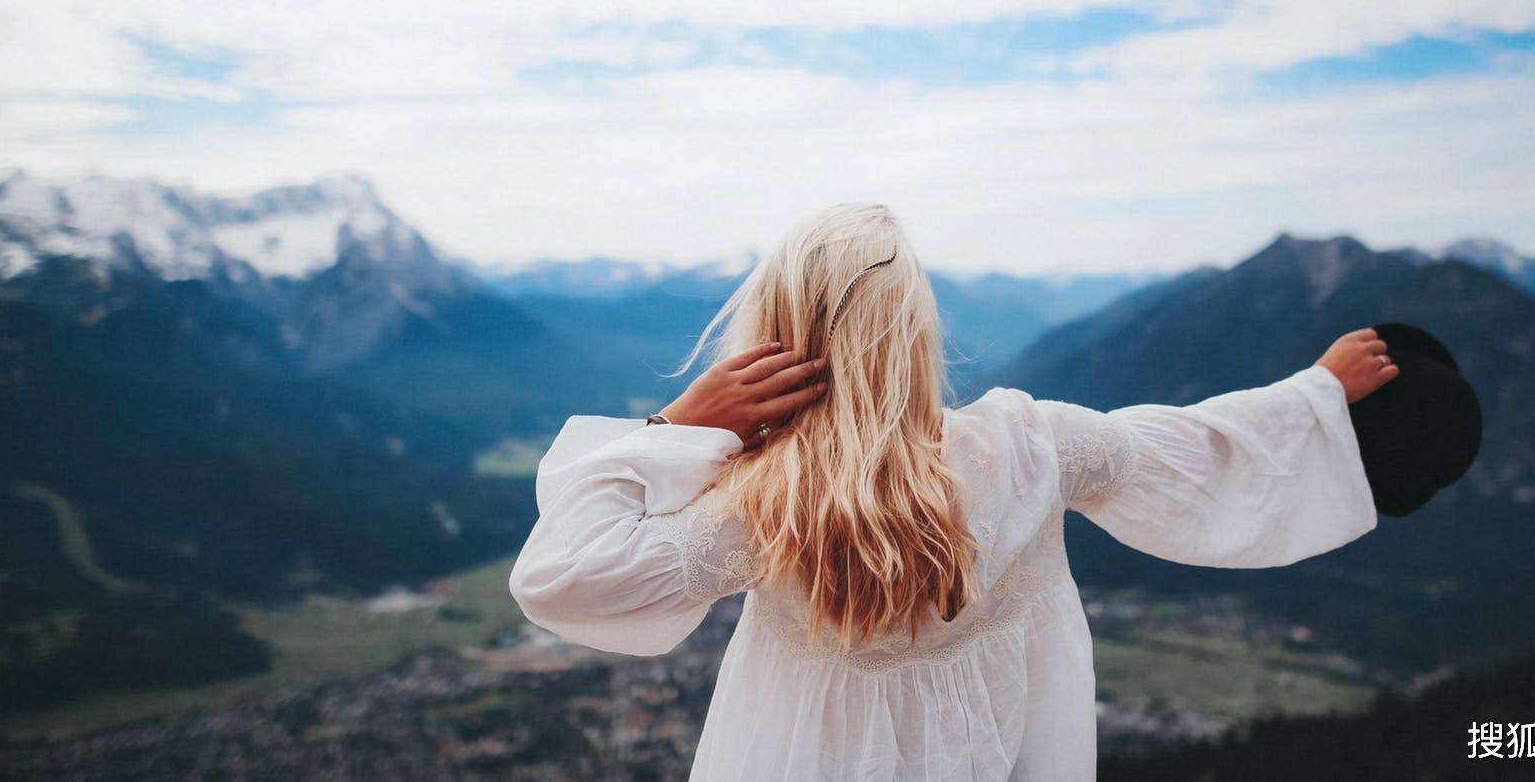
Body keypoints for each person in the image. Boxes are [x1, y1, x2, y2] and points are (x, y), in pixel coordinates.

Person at [509, 203, 1395, 780]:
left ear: (773, 334)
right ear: (914, 329)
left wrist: (679, 427)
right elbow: (1192, 452)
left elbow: (562, 576)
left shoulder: (764, 508)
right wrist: (1311, 395)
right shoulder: (1033, 446)